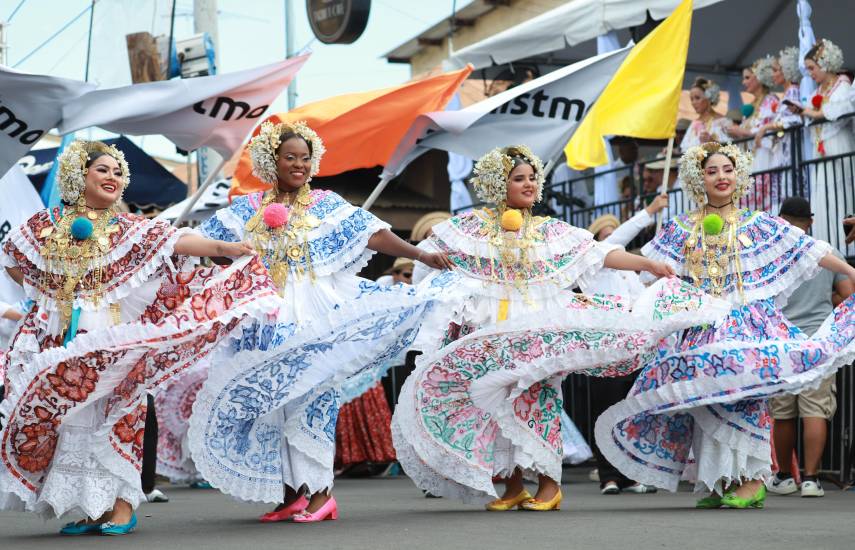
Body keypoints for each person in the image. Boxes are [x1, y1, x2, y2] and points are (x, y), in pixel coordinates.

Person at [393, 145, 728, 511]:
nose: (529, 184)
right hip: (491, 329)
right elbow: (428, 259)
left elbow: (600, 254)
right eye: (518, 179)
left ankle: (550, 485)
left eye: (532, 178)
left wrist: (646, 264)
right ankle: (513, 486)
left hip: (537, 329)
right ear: (497, 184)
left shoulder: (550, 231)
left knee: (539, 399)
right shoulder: (470, 228)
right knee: (495, 406)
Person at [188, 121, 453, 523]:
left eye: (305, 158)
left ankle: (321, 493)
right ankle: (292, 493)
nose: (299, 165)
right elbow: (206, 242)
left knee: (313, 398)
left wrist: (419, 254)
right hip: (265, 314)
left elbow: (372, 234)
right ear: (271, 161)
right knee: (273, 402)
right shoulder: (247, 208)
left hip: (315, 311)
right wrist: (221, 252)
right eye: (289, 157)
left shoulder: (325, 204)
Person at [0, 140, 266, 535]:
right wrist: (47, 291)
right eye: (102, 169)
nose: (112, 177)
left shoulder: (126, 227)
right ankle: (94, 507)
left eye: (117, 172)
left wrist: (225, 247)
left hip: (109, 336)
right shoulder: (46, 225)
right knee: (74, 423)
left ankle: (123, 507)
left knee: (116, 415)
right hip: (62, 337)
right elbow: (13, 258)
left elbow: (177, 241)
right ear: (78, 176)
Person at [595, 142, 855, 510]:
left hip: (745, 322)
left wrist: (849, 270)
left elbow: (808, 248)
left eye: (728, 170)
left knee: (743, 397)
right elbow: (649, 271)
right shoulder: (681, 227)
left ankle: (753, 480)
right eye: (712, 171)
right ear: (698, 179)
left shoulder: (759, 223)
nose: (721, 177)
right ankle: (720, 480)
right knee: (704, 401)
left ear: (739, 175)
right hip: (701, 325)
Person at [767, 197, 855, 498]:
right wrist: (826, 300)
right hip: (819, 340)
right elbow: (848, 297)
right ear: (811, 221)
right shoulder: (827, 252)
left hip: (781, 342)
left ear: (780, 221)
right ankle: (811, 479)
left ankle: (783, 477)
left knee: (783, 412)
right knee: (815, 409)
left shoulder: (770, 257)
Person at [584, 195, 669, 496]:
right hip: (604, 350)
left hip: (633, 349)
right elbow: (615, 242)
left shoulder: (628, 274)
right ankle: (608, 476)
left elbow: (643, 302)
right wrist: (649, 211)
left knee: (631, 410)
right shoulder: (592, 262)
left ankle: (632, 473)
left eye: (614, 232)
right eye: (606, 235)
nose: (613, 239)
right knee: (604, 410)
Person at [799, 39, 855, 250]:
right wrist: (804, 112)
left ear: (825, 64)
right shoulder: (817, 91)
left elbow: (842, 110)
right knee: (823, 193)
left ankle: (845, 246)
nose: (810, 73)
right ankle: (827, 246)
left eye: (812, 68)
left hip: (838, 143)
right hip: (821, 147)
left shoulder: (843, 84)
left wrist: (815, 113)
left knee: (840, 190)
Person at [727, 56, 781, 211]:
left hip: (763, 155)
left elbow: (766, 129)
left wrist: (741, 131)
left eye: (747, 78)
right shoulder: (751, 105)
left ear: (759, 78)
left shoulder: (771, 100)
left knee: (762, 204)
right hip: (750, 158)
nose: (743, 82)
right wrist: (735, 133)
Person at [680, 77, 732, 151]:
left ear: (708, 98)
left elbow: (731, 149)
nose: (693, 102)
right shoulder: (693, 124)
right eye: (691, 99)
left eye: (697, 98)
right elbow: (684, 150)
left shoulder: (723, 122)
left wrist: (711, 142)